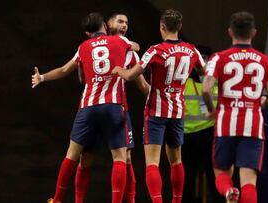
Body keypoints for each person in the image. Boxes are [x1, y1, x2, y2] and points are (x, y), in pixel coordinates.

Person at [32, 12, 148, 203]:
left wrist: (42, 77)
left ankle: (58, 199)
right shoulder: (123, 45)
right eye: (120, 21)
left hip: (88, 108)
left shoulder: (83, 47)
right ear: (106, 24)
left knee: (74, 155)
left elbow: (64, 71)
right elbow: (137, 53)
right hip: (114, 107)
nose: (124, 25)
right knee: (120, 158)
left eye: (126, 22)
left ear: (87, 33)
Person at [112, 9, 206, 203]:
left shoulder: (156, 50)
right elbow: (204, 70)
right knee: (176, 160)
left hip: (156, 111)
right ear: (179, 27)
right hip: (177, 111)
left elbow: (131, 75)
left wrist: (119, 69)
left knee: (152, 163)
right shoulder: (192, 50)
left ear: (162, 27)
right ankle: (177, 201)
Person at [202, 11, 268, 203]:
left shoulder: (219, 58)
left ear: (230, 32)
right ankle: (236, 192)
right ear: (254, 32)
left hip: (225, 123)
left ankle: (229, 191)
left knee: (221, 172)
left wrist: (212, 109)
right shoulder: (265, 60)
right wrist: (263, 102)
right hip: (252, 126)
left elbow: (205, 89)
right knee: (249, 183)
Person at [181, 47, 222, 203]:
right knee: (187, 179)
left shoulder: (217, 82)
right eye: (199, 58)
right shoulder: (183, 82)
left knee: (214, 176)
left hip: (209, 135)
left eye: (205, 58)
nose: (202, 62)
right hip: (187, 137)